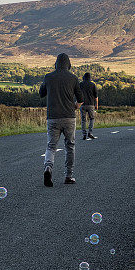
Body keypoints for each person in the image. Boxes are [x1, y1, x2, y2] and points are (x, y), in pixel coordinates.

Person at [39, 53, 84, 187]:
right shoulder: (73, 78)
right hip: (69, 117)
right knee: (70, 146)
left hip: (52, 117)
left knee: (51, 146)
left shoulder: (48, 77)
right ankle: (68, 176)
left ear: (56, 64)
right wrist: (75, 106)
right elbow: (81, 99)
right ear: (69, 64)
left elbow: (41, 94)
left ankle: (48, 168)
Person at [79, 72, 98, 139]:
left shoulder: (80, 84)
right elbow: (96, 96)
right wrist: (96, 105)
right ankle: (90, 133)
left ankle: (84, 134)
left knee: (83, 120)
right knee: (92, 118)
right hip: (91, 104)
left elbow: (77, 94)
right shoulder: (93, 85)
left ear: (83, 77)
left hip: (82, 104)